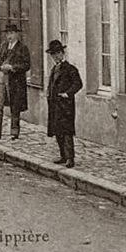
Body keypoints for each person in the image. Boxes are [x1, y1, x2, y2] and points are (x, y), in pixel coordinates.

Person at [0, 24, 31, 141]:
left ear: (17, 34)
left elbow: (27, 65)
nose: (9, 36)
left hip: (15, 79)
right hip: (1, 77)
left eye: (11, 33)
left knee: (15, 105)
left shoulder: (23, 48)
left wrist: (12, 67)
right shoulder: (3, 46)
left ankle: (14, 132)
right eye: (7, 34)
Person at [46, 40, 82, 168]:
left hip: (65, 106)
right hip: (55, 105)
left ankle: (70, 158)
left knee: (67, 132)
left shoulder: (70, 69)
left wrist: (67, 93)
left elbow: (78, 84)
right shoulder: (54, 69)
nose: (55, 56)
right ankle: (63, 156)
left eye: (57, 53)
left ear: (62, 53)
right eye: (53, 54)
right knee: (57, 131)